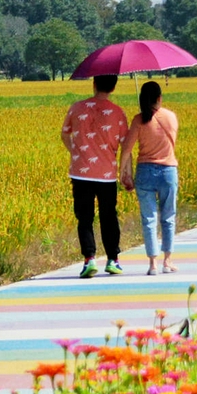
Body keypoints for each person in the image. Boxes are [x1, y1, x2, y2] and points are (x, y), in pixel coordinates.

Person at [62, 73, 130, 278]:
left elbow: (65, 133)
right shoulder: (118, 112)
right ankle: (113, 259)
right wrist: (127, 173)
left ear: (94, 84)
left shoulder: (76, 108)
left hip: (81, 173)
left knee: (85, 217)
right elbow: (125, 145)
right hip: (107, 174)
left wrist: (75, 151)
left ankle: (89, 259)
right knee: (109, 216)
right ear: (114, 87)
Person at [119, 80, 180, 274]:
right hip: (168, 171)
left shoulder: (138, 120)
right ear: (159, 98)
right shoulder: (171, 117)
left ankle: (152, 263)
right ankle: (167, 260)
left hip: (145, 172)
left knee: (149, 218)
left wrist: (123, 172)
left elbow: (127, 149)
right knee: (168, 217)